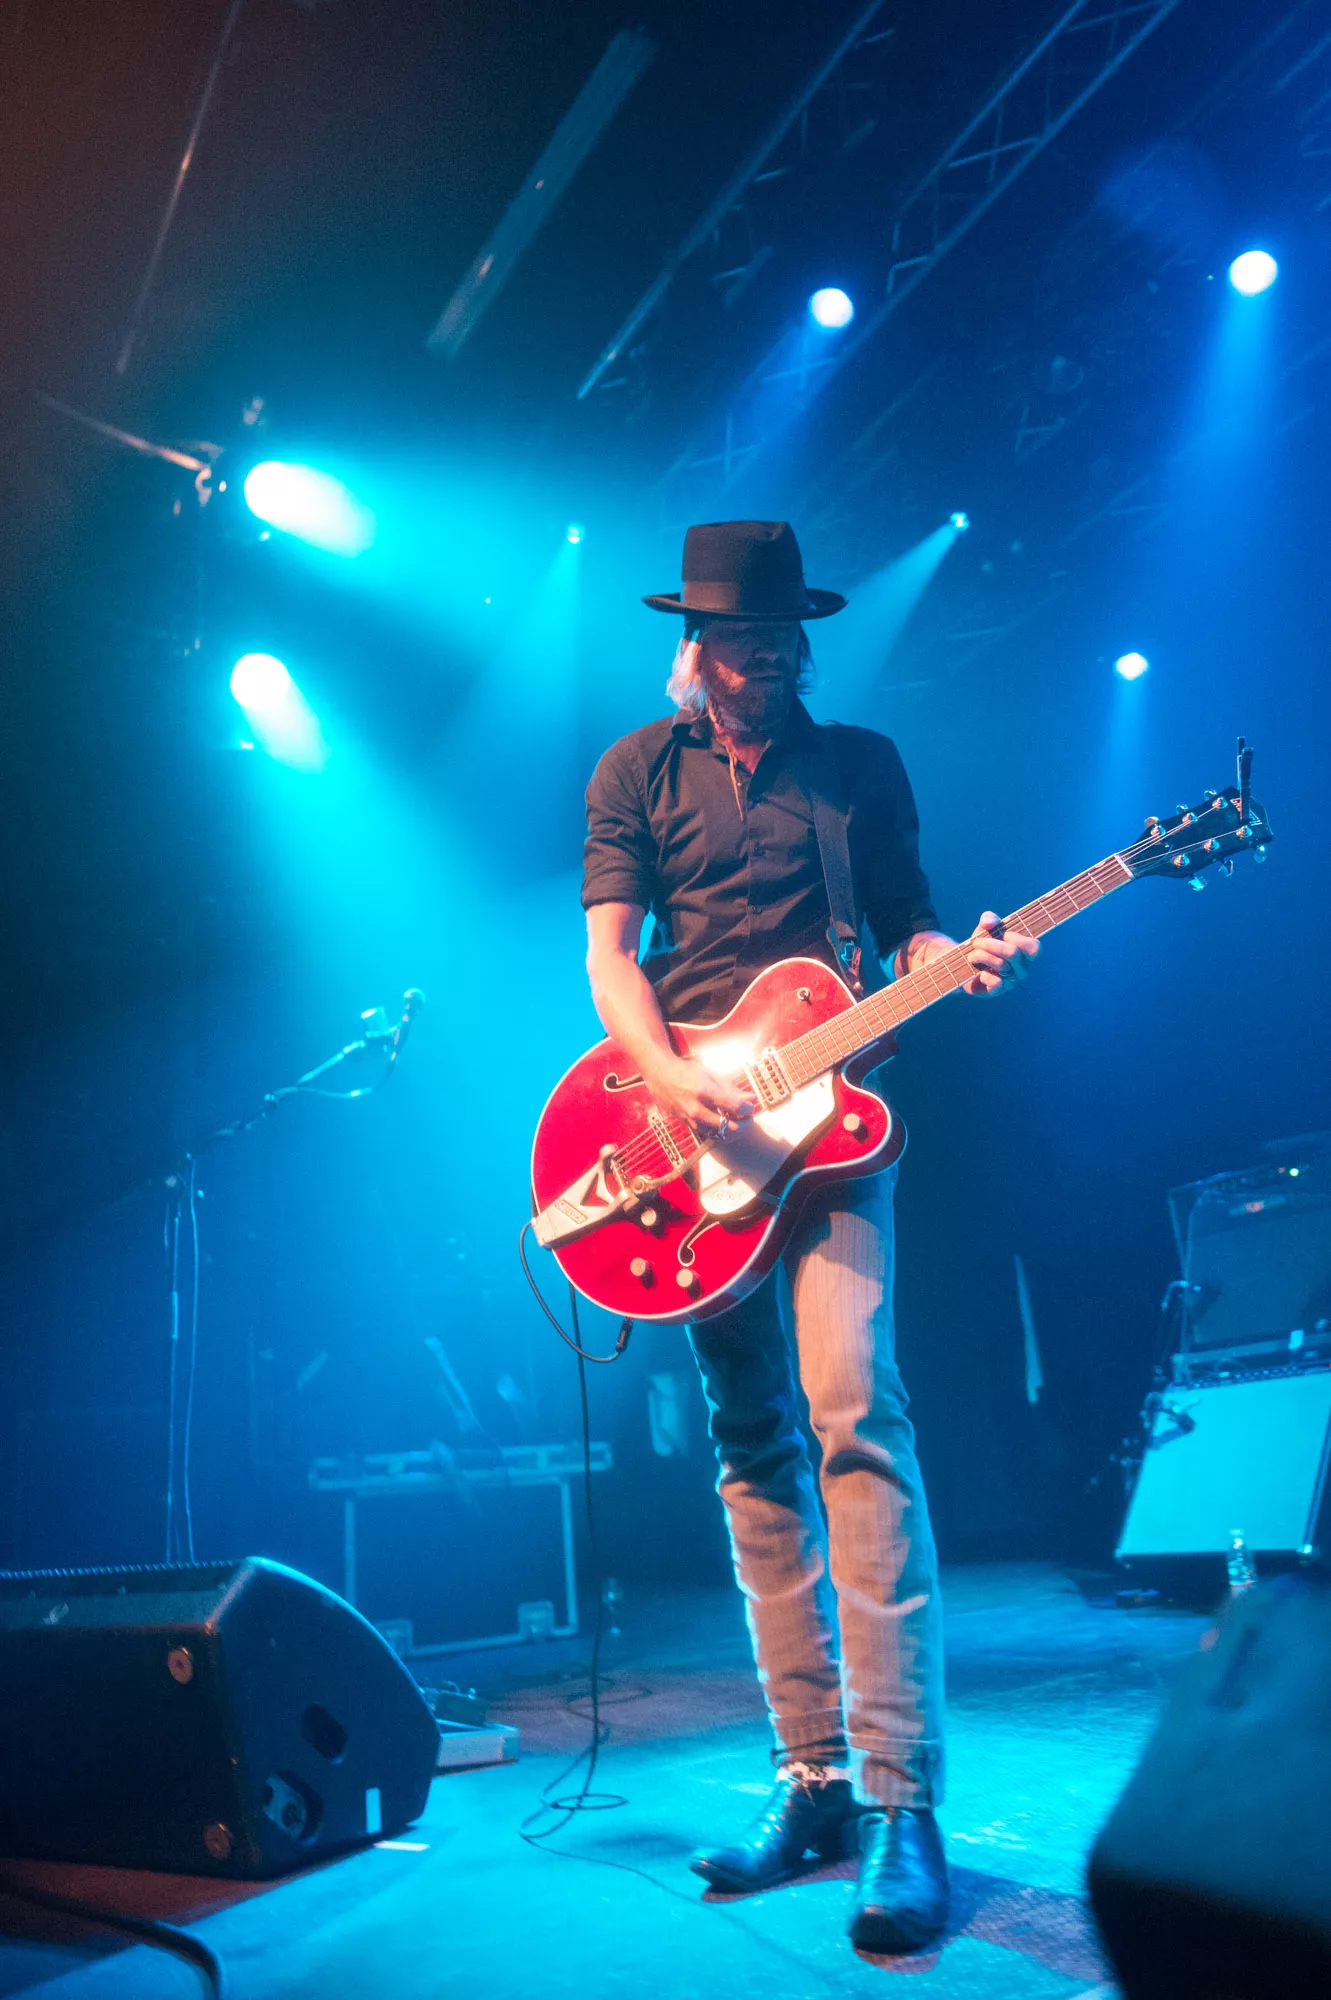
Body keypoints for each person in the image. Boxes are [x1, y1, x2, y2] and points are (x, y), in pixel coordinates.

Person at [580, 520, 1037, 1954]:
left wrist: (953, 961)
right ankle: (815, 1779)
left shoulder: (860, 766)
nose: (765, 662)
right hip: (698, 1146)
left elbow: (906, 926)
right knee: (749, 1444)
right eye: (740, 642)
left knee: (856, 1416)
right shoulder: (633, 772)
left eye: (782, 640)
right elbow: (610, 959)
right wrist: (672, 1084)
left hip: (834, 1134)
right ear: (695, 647)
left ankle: (901, 1799)